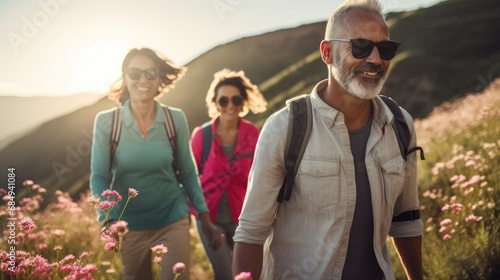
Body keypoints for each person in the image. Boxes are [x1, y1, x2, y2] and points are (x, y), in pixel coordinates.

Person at [232, 0, 424, 279]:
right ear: (327, 52)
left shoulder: (400, 124)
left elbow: (406, 221)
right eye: (359, 46)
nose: (374, 59)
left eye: (385, 49)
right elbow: (251, 233)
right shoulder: (284, 128)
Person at [90, 47, 222, 280]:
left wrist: (204, 216)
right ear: (125, 77)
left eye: (151, 73)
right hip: (127, 227)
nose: (143, 79)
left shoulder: (174, 118)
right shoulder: (107, 122)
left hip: (172, 219)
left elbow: (188, 173)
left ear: (159, 79)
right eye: (135, 73)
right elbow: (99, 176)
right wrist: (108, 219)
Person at [190, 69, 267, 280]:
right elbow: (188, 178)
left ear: (243, 102)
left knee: (247, 275)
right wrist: (197, 214)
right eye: (223, 100)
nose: (230, 105)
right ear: (215, 103)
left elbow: (261, 175)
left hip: (243, 218)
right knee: (224, 274)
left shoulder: (253, 134)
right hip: (209, 220)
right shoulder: (201, 136)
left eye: (236, 99)